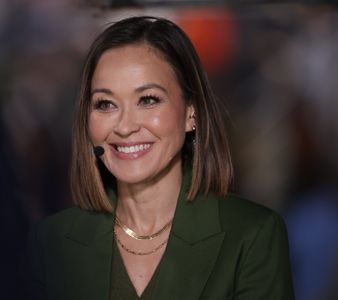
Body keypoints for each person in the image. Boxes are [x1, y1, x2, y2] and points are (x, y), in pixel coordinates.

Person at [27, 16, 294, 299]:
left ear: (191, 112)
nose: (125, 126)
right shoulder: (51, 242)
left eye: (148, 100)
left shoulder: (252, 236)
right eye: (106, 104)